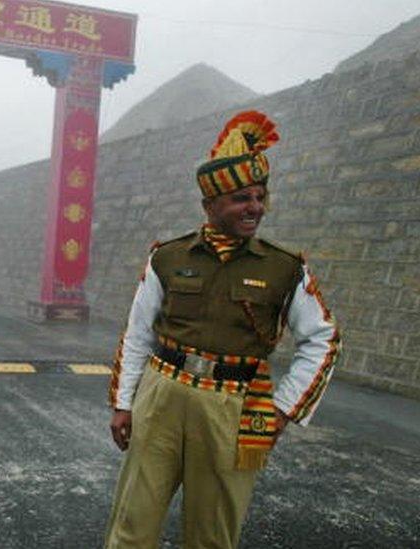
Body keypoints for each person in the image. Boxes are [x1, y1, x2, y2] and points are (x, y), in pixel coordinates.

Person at [104, 111, 341, 548]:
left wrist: (284, 409)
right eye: (239, 198)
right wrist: (123, 403)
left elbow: (323, 338)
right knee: (133, 522)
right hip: (161, 395)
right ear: (209, 206)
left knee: (213, 533)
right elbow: (137, 332)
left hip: (235, 407)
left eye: (259, 196)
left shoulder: (284, 266)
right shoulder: (168, 257)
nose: (254, 207)